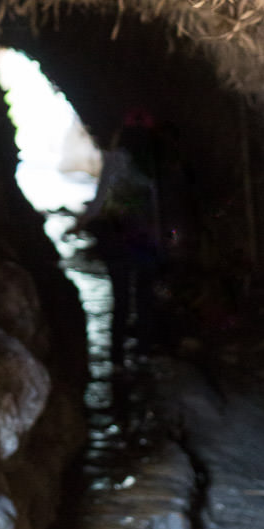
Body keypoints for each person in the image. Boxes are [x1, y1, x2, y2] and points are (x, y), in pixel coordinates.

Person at [75, 108, 166, 363]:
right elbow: (159, 206)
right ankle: (143, 352)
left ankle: (116, 360)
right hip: (145, 241)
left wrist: (80, 224)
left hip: (117, 239)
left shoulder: (115, 160)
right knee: (145, 298)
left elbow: (99, 200)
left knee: (121, 300)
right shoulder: (153, 164)